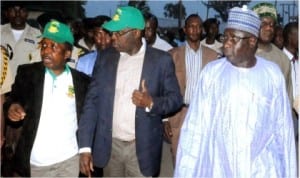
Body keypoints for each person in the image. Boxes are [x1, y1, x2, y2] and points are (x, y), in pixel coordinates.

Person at [174, 5, 296, 178]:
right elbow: (195, 131)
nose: (226, 43)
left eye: (233, 38)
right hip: (218, 168)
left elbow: (283, 133)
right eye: (226, 36)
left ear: (252, 41)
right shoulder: (212, 73)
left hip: (261, 170)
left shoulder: (272, 75)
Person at [78, 6, 182, 177]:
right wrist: (85, 147)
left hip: (142, 148)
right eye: (112, 33)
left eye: (118, 33)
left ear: (136, 33)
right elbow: (91, 102)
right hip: (110, 147)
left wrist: (151, 103)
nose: (112, 38)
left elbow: (176, 99)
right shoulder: (105, 57)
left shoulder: (161, 60)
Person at [3, 20, 90, 177]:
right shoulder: (27, 74)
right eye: (44, 45)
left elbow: (88, 120)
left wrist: (85, 151)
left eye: (54, 46)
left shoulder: (82, 82)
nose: (46, 51)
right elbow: (12, 100)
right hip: (36, 163)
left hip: (68, 161)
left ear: (67, 54)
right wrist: (12, 107)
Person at [164, 13, 218, 164]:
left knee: (202, 159)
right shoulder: (172, 56)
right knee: (179, 157)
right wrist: (165, 119)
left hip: (203, 114)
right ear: (185, 29)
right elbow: (164, 88)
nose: (195, 30)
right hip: (178, 114)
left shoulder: (213, 57)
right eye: (191, 26)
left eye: (198, 27)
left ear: (202, 30)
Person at [252, 3, 293, 104]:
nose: (269, 28)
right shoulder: (241, 54)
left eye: (272, 25)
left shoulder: (283, 60)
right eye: (264, 23)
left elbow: (287, 99)